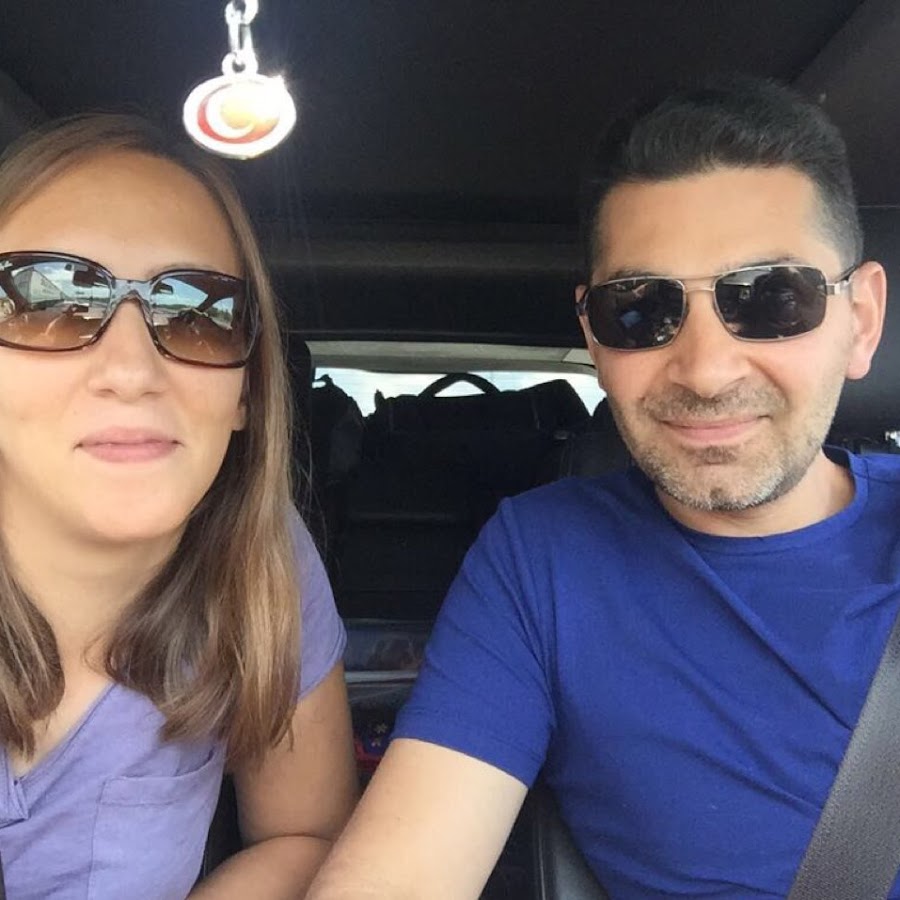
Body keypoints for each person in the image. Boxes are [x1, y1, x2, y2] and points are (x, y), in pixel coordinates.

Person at [307, 76, 891, 898]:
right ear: (591, 334)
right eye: (640, 310)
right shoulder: (546, 561)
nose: (706, 371)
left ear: (861, 320)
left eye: (771, 299)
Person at [0, 114, 358, 898]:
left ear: (246, 391)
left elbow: (305, 834)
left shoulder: (261, 557)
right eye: (47, 298)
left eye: (199, 314)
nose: (132, 370)